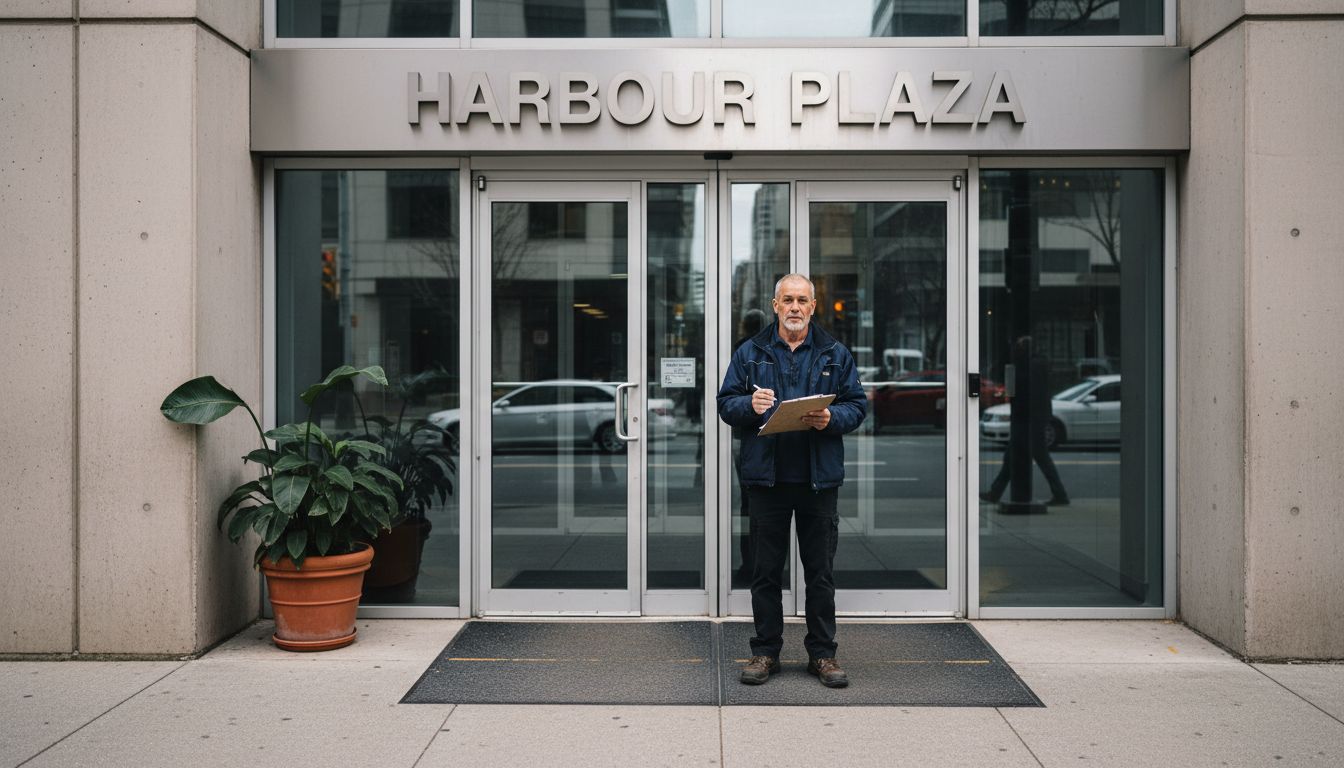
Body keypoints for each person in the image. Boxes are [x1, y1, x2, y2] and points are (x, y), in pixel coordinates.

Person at [716, 274, 867, 688]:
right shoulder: (750, 352)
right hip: (768, 482)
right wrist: (748, 403)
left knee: (820, 573)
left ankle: (823, 656)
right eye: (788, 300)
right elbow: (725, 405)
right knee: (765, 573)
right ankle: (765, 653)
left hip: (818, 483)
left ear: (814, 306)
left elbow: (857, 405)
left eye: (803, 300)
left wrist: (830, 417)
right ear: (775, 305)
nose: (795, 307)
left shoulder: (835, 354)